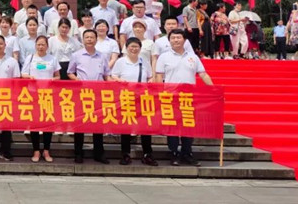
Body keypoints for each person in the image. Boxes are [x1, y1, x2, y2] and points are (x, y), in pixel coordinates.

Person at [155, 29, 214, 166]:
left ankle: (187, 153)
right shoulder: (164, 57)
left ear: (184, 40)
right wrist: (159, 93)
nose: (176, 40)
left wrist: (214, 89)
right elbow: (159, 76)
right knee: (172, 127)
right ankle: (174, 153)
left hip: (188, 98)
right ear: (169, 40)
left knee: (188, 126)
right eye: (173, 38)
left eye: (179, 37)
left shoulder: (193, 57)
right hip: (171, 97)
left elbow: (203, 74)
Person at [111, 37, 158, 166]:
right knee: (126, 127)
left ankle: (147, 154)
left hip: (142, 98)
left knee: (145, 127)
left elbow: (150, 76)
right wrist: (121, 81)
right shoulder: (121, 62)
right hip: (125, 98)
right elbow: (113, 76)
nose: (134, 49)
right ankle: (125, 154)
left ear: (140, 48)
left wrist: (150, 81)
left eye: (136, 46)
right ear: (126, 48)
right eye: (131, 46)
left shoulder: (144, 61)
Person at [68, 29, 110, 164]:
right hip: (82, 94)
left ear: (96, 39)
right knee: (80, 124)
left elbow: (106, 75)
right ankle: (78, 153)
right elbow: (70, 72)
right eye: (87, 37)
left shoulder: (102, 56)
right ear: (83, 40)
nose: (90, 39)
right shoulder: (76, 55)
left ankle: (99, 153)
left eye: (92, 37)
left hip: (98, 94)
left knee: (98, 125)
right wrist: (77, 80)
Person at [20, 35, 58, 162]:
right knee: (34, 123)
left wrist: (53, 79)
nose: (41, 47)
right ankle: (36, 150)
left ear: (47, 46)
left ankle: (46, 150)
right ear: (35, 45)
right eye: (38, 44)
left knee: (48, 123)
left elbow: (58, 76)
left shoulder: (52, 58)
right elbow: (23, 74)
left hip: (48, 94)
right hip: (33, 94)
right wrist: (29, 77)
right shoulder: (30, 58)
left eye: (43, 44)